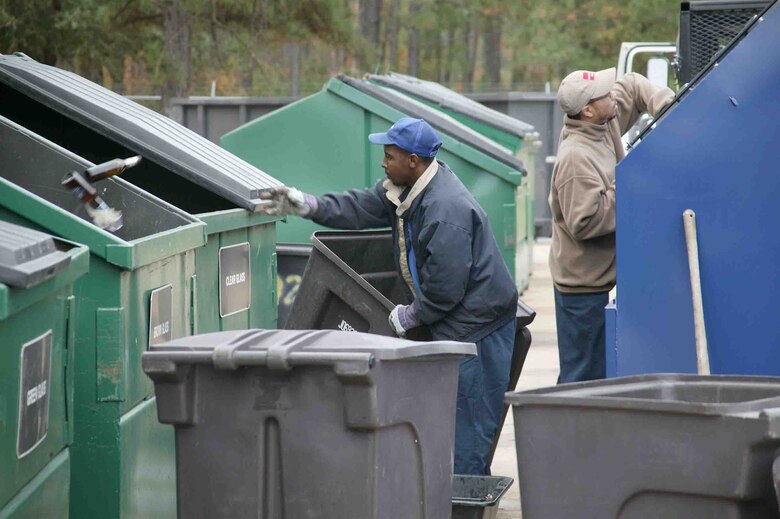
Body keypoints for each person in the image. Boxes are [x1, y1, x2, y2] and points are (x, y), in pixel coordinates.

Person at [259, 117, 518, 475]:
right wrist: (307, 204)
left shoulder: (446, 210)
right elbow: (360, 207)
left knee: (466, 432)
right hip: (457, 320)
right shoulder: (410, 190)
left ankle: (465, 504)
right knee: (448, 426)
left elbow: (446, 289)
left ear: (413, 160)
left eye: (389, 155)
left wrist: (410, 316)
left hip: (477, 329)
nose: (383, 162)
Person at [550, 67, 674, 383]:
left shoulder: (604, 118)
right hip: (582, 288)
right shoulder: (576, 158)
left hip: (600, 277)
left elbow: (632, 86)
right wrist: (632, 175)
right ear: (587, 110)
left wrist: (671, 109)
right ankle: (568, 429)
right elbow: (586, 222)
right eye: (604, 94)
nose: (612, 95)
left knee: (598, 372)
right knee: (582, 376)